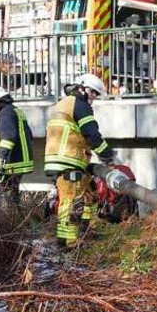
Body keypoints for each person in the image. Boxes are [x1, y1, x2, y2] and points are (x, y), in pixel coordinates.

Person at [43, 73, 115, 247]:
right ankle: (68, 242)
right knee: (71, 201)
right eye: (93, 93)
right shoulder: (79, 105)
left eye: (96, 95)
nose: (93, 98)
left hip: (64, 160)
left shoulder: (63, 103)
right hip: (69, 160)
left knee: (89, 192)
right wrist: (107, 156)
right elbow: (92, 133)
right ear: (81, 88)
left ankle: (88, 227)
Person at [0, 85, 35, 205]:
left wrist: (0, 162)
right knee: (12, 197)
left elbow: (8, 139)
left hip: (12, 163)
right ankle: (17, 220)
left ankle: (8, 221)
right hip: (20, 162)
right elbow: (29, 135)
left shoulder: (5, 114)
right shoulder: (16, 111)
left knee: (2, 199)